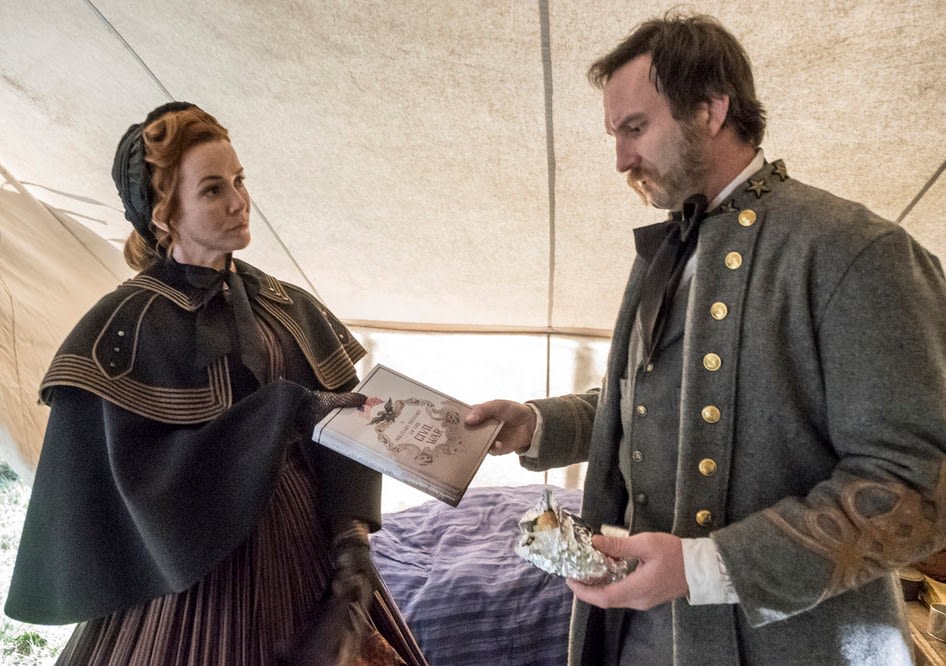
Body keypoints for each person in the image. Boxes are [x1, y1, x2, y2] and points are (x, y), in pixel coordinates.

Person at [466, 12, 946, 666]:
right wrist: (534, 424)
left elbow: (917, 490)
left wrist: (704, 567)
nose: (620, 159)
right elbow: (647, 409)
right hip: (633, 634)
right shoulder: (666, 254)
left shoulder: (856, 251)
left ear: (710, 110)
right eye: (614, 135)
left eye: (635, 128)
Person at [5, 102, 425, 665]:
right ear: (164, 215)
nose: (238, 201)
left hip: (309, 552)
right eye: (211, 189)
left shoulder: (288, 305)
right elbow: (142, 481)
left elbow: (349, 423)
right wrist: (287, 410)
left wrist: (352, 543)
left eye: (239, 180)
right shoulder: (127, 326)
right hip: (195, 577)